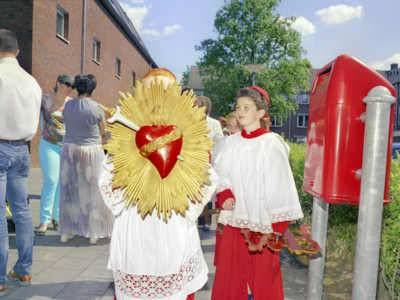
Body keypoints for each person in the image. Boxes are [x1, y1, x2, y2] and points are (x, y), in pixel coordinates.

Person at [99, 68, 217, 300]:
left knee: (174, 274)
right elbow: (109, 172)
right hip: (136, 215)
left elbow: (206, 174)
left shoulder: (185, 127)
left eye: (164, 90)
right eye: (151, 89)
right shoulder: (127, 127)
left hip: (173, 216)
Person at [211, 87, 303, 300]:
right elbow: (220, 171)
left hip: (262, 223)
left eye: (247, 107)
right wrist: (223, 192)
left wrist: (278, 228)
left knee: (264, 280)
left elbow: (281, 183)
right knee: (231, 277)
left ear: (261, 113)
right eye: (238, 107)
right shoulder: (231, 143)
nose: (240, 112)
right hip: (235, 219)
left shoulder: (271, 143)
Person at [0, 29, 42, 296]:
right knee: (22, 212)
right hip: (23, 150)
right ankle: (24, 269)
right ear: (17, 51)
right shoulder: (32, 81)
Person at [58, 74, 113, 245]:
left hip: (69, 150)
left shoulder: (68, 106)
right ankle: (93, 231)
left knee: (70, 191)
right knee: (93, 191)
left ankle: (68, 230)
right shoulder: (96, 108)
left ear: (77, 88)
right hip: (90, 151)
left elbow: (66, 121)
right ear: (92, 90)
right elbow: (103, 131)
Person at [35, 74, 74, 236]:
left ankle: (57, 218)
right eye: (66, 84)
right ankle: (44, 221)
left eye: (71, 85)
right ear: (58, 83)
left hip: (66, 147)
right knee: (51, 181)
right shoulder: (44, 99)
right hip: (48, 145)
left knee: (61, 184)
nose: (69, 88)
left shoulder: (71, 103)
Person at [193, 96, 223, 231]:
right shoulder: (189, 122)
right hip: (192, 162)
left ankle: (206, 221)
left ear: (207, 111)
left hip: (209, 162)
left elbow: (220, 143)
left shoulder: (214, 124)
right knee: (194, 192)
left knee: (207, 192)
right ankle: (194, 219)